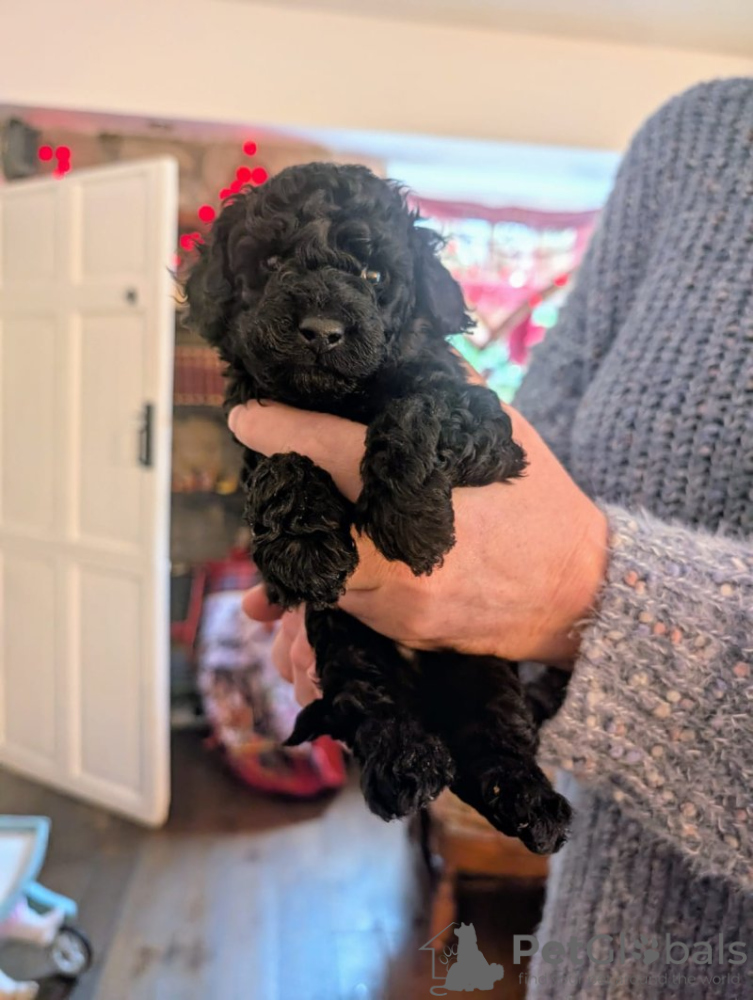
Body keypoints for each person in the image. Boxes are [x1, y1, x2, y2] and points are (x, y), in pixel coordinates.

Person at [229, 78, 753, 999]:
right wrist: (387, 587)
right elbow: (526, 444)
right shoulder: (696, 137)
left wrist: (582, 593)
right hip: (600, 952)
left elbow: (546, 549)